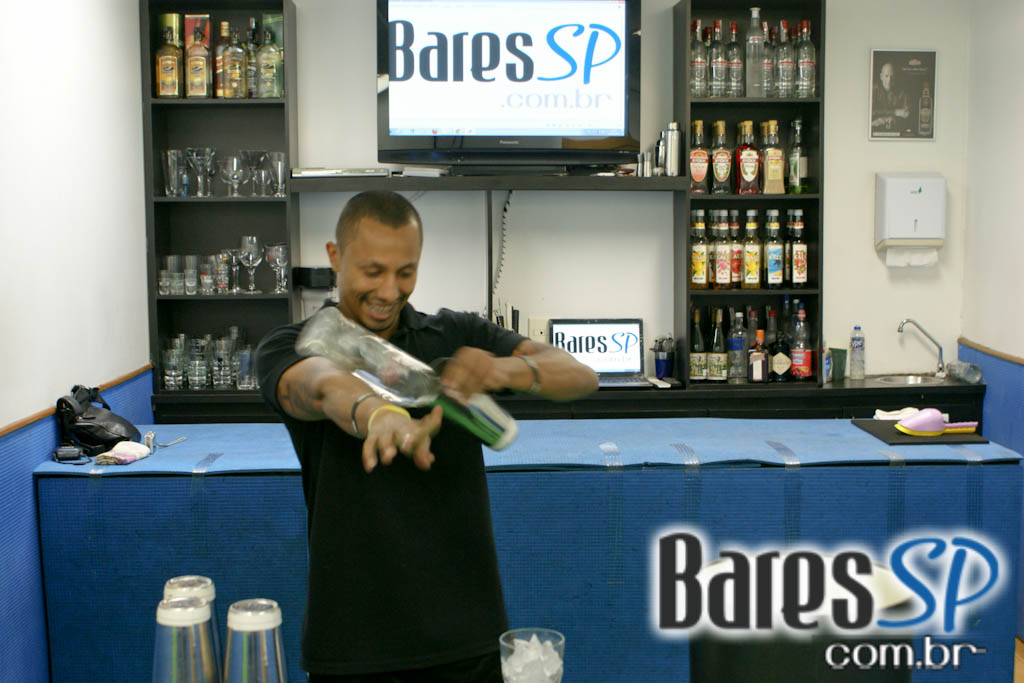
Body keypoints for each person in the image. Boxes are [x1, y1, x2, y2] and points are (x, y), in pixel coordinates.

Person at [255, 190, 598, 682]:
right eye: (373, 271)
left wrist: (500, 369)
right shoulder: (297, 344)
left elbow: (580, 375)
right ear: (335, 256)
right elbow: (317, 385)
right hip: (352, 646)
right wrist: (375, 412)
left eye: (406, 272)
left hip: (468, 640)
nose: (389, 290)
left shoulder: (454, 335)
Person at [871, 61, 910, 130]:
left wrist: (887, 118)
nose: (889, 80)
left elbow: (906, 113)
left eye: (892, 77)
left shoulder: (902, 92)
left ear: (895, 77)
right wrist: (895, 112)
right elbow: (871, 111)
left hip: (895, 128)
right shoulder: (873, 90)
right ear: (881, 77)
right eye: (886, 76)